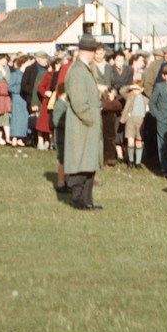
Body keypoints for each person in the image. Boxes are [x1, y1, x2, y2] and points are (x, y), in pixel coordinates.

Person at [64, 35, 104, 210]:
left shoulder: (83, 68)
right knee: (81, 163)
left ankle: (87, 201)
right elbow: (79, 102)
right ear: (93, 52)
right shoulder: (78, 71)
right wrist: (91, 119)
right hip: (84, 124)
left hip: (88, 124)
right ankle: (78, 200)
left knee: (89, 164)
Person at [120, 78, 147, 168]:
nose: (135, 91)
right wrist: (131, 86)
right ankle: (130, 160)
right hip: (131, 120)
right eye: (134, 89)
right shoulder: (130, 96)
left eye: (138, 89)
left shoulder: (145, 99)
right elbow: (121, 91)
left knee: (139, 141)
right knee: (130, 141)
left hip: (140, 121)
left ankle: (138, 162)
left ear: (142, 89)